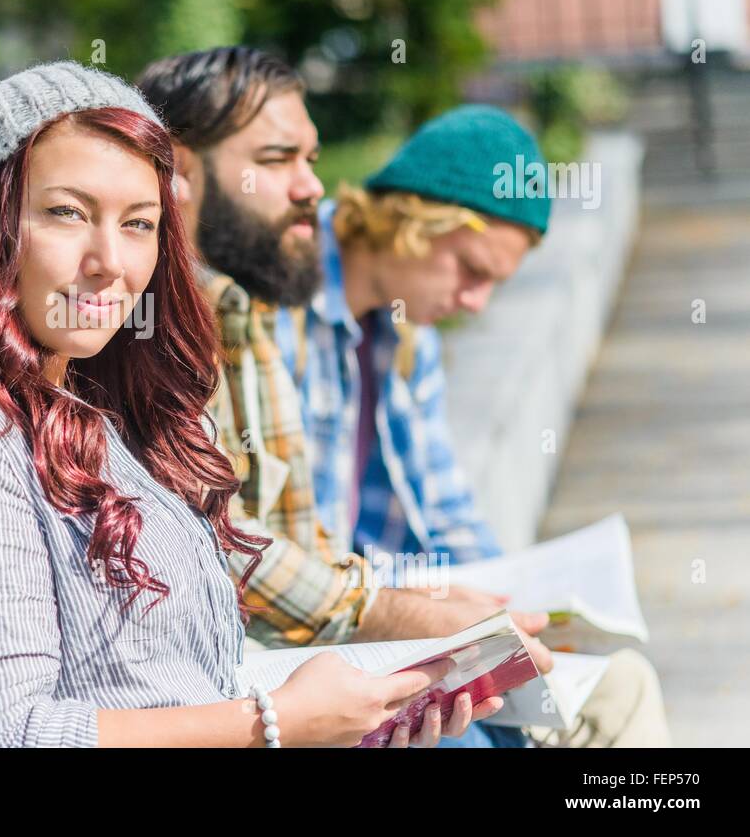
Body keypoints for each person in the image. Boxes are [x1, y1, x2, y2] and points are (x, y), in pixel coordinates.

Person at [0, 61, 502, 747]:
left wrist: (350, 720)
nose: (109, 259)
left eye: (139, 223)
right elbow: (1, 734)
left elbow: (169, 688)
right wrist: (275, 721)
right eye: (67, 212)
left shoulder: (108, 405)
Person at [137, 46, 669, 748]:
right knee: (475, 736)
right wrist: (400, 614)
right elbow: (235, 545)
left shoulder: (386, 333)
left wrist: (508, 616)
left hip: (338, 625)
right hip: (282, 659)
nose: (312, 187)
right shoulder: (239, 308)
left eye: (312, 159)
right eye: (277, 160)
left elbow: (440, 518)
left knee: (617, 686)